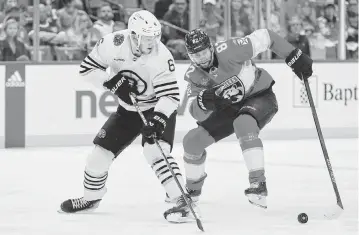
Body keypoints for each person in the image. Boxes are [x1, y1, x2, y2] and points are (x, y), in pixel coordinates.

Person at [163, 28, 313, 222]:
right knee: (192, 141)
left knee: (244, 123)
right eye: (195, 55)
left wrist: (293, 55)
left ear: (211, 47)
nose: (201, 58)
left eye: (204, 52)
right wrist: (204, 101)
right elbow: (194, 111)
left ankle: (258, 185)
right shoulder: (194, 74)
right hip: (229, 108)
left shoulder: (231, 49)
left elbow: (266, 37)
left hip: (259, 96)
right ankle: (191, 197)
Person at [59, 10, 189, 218]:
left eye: (155, 36)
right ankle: (91, 198)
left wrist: (158, 120)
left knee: (155, 152)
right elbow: (87, 69)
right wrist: (112, 83)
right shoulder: (112, 43)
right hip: (128, 111)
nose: (152, 42)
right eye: (147, 37)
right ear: (134, 35)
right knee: (98, 156)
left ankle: (181, 199)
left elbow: (171, 97)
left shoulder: (162, 56)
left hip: (156, 109)